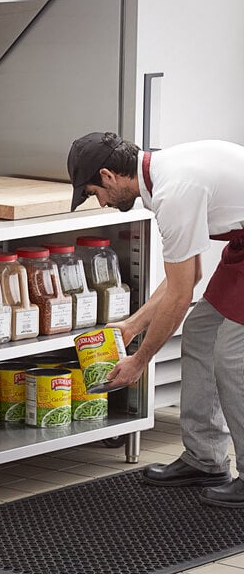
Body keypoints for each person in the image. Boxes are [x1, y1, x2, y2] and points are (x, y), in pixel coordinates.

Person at [67, 131, 244, 507]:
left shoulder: (173, 192)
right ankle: (205, 459)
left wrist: (139, 361)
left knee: (232, 357)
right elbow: (188, 278)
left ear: (109, 175)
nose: (99, 202)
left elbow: (181, 296)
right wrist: (133, 325)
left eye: (94, 192)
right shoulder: (164, 174)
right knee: (201, 333)